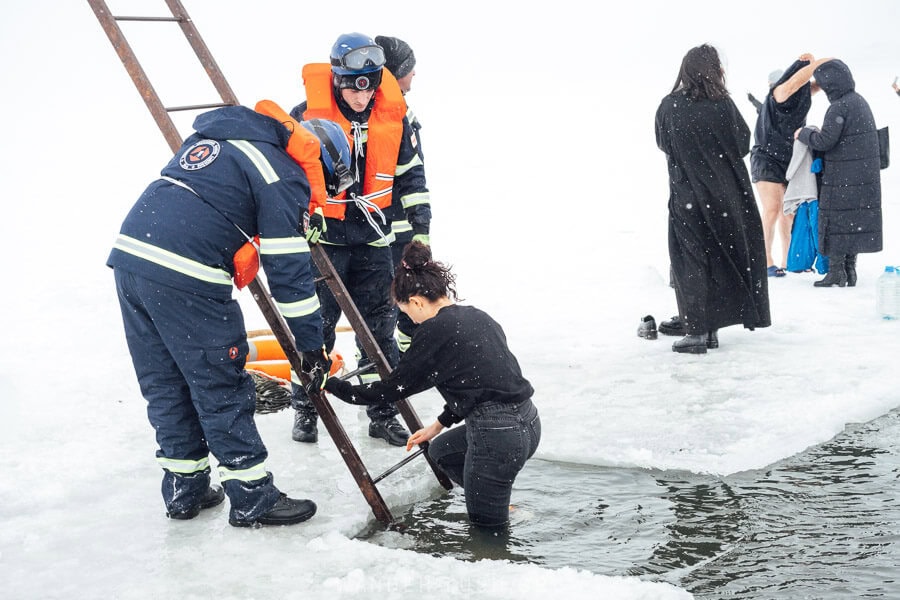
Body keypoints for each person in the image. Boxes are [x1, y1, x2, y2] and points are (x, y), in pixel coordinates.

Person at [107, 104, 346, 527]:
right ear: (323, 164)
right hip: (187, 274)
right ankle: (254, 497)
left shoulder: (223, 138)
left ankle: (186, 489)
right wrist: (312, 348)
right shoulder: (282, 173)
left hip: (131, 259)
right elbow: (290, 281)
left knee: (166, 380)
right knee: (219, 381)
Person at [323, 242, 541, 527]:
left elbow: (391, 389)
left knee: (488, 535)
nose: (409, 319)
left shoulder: (434, 331)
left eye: (406, 311)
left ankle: (491, 510)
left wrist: (332, 385)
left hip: (496, 435)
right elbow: (480, 384)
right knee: (442, 452)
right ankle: (494, 499)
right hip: (528, 422)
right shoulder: (477, 316)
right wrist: (438, 425)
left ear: (415, 301)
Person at [288, 32, 431, 446]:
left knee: (380, 328)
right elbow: (290, 177)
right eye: (353, 86)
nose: (361, 96)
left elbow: (412, 178)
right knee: (317, 328)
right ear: (336, 80)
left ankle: (382, 412)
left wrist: (419, 231)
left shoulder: (394, 116)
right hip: (327, 240)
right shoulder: (306, 114)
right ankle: (306, 406)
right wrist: (302, 218)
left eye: (369, 85)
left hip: (372, 238)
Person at [655, 44, 771, 354]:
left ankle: (697, 331)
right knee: (721, 255)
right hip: (725, 195)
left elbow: (663, 143)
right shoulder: (724, 105)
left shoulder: (670, 106)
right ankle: (710, 328)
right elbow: (743, 142)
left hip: (687, 192)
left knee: (691, 258)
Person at [795, 59, 883, 287]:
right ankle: (849, 271)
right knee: (852, 222)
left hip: (843, 177)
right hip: (861, 178)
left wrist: (803, 134)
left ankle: (836, 273)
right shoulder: (859, 102)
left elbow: (824, 141)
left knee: (837, 221)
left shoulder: (839, 107)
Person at [750, 54, 830, 278]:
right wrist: (816, 63)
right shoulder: (778, 93)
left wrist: (827, 73)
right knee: (772, 209)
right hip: (766, 158)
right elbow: (795, 83)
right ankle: (765, 261)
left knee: (789, 213)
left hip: (788, 160)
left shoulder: (800, 94)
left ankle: (788, 259)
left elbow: (810, 86)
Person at [376, 34, 430, 354]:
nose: (414, 75)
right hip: (397, 231)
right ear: (397, 74)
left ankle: (410, 358)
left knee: (400, 304)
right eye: (411, 69)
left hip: (395, 228)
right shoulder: (391, 116)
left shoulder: (393, 112)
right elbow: (411, 175)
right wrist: (420, 232)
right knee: (396, 305)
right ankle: (400, 365)